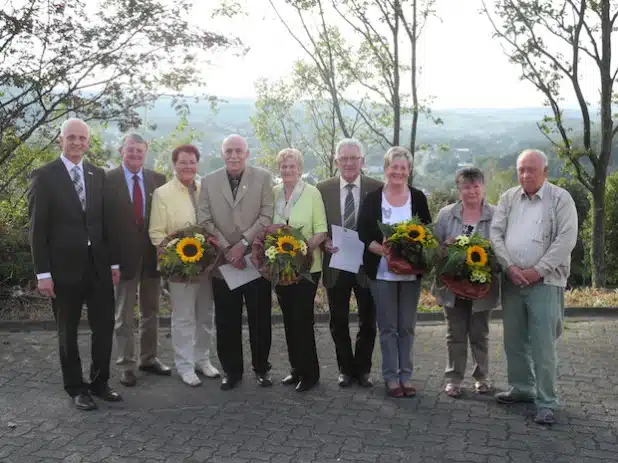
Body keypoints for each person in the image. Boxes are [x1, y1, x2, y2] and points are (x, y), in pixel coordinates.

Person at [28, 118, 122, 411]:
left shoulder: (97, 175)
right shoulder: (44, 176)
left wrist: (114, 262)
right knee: (67, 331)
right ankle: (76, 387)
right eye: (72, 137)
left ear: (88, 142)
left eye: (82, 138)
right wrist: (43, 274)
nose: (77, 143)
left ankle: (100, 382)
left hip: (98, 267)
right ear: (61, 139)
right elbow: (37, 230)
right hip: (63, 270)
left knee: (104, 327)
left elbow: (107, 223)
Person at [490, 149, 578, 425]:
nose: (526, 175)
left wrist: (538, 271)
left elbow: (566, 239)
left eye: (532, 169)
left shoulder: (561, 199)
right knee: (513, 341)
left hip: (546, 281)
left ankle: (546, 401)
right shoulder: (508, 198)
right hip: (513, 281)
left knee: (543, 346)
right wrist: (510, 267)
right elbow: (496, 233)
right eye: (521, 170)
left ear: (545, 172)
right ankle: (522, 389)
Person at [197, 134, 274, 391]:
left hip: (254, 260)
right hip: (224, 261)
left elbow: (266, 215)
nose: (234, 155)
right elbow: (204, 219)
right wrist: (228, 248)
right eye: (229, 151)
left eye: (238, 151)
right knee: (227, 320)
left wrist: (243, 244)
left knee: (260, 319)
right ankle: (232, 371)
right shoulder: (208, 182)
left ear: (247, 153)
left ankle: (261, 368)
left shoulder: (263, 178)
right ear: (222, 154)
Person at [357, 146, 431, 398]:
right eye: (393, 167)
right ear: (386, 169)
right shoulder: (372, 198)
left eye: (403, 167)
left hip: (411, 274)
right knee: (388, 327)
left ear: (409, 171)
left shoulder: (418, 198)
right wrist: (384, 251)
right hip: (382, 273)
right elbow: (363, 233)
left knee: (407, 326)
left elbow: (427, 233)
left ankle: (406, 376)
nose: (398, 172)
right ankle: (391, 378)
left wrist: (413, 253)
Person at [149, 144, 220, 387]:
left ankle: (203, 359)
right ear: (174, 164)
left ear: (197, 164)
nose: (188, 166)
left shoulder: (206, 190)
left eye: (192, 162)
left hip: (207, 267)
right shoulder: (163, 194)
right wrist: (176, 258)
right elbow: (156, 233)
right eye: (182, 162)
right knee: (183, 317)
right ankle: (185, 365)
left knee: (205, 314)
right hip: (180, 268)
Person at [105, 133, 169, 388]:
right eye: (130, 150)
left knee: (151, 311)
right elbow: (104, 225)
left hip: (152, 256)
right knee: (123, 314)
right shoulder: (108, 179)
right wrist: (111, 261)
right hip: (122, 259)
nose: (135, 154)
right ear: (122, 150)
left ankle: (148, 358)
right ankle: (125, 364)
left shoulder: (158, 179)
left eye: (139, 151)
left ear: (146, 152)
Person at [316, 139, 382, 388]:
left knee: (368, 319)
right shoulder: (322, 189)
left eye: (354, 158)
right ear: (336, 162)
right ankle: (345, 369)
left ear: (362, 161)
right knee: (338, 319)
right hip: (336, 261)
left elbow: (381, 226)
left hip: (367, 264)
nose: (349, 163)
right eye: (344, 158)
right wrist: (324, 242)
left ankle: (363, 370)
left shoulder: (377, 189)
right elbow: (317, 225)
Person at [432, 167, 498, 398]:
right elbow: (433, 249)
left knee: (480, 333)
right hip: (452, 286)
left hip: (483, 287)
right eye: (466, 187)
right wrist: (446, 248)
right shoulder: (446, 214)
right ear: (459, 190)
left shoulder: (497, 215)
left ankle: (482, 377)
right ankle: (454, 379)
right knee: (455, 333)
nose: (471, 191)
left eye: (476, 186)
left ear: (483, 187)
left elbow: (502, 250)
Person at [273, 148, 327, 392]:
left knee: (302, 320)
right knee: (288, 320)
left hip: (307, 268)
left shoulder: (312, 193)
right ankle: (295, 369)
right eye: (284, 166)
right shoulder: (273, 193)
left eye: (292, 166)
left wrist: (300, 251)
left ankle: (310, 373)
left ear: (300, 169)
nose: (287, 170)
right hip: (279, 269)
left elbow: (321, 231)